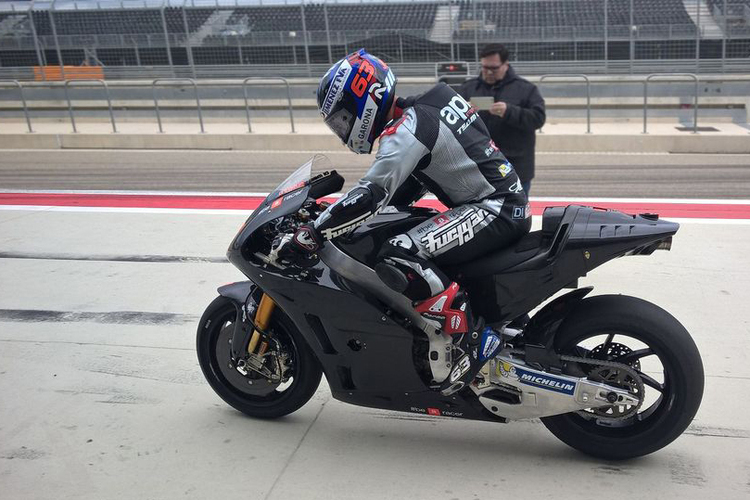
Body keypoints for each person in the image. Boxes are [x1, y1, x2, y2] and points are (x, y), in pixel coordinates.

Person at [277, 49, 531, 395]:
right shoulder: (435, 101)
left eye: (341, 119)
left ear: (363, 101)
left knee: (400, 252)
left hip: (493, 208)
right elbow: (407, 184)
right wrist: (339, 214)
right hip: (505, 202)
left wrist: (312, 233)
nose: (342, 128)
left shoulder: (406, 129)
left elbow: (371, 195)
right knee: (411, 232)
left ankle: (470, 343)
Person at [458, 44, 545, 194]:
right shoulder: (468, 88)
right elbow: (448, 121)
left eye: (494, 68)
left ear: (506, 65)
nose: (489, 72)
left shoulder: (526, 89)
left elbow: (538, 119)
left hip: (516, 166)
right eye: (485, 67)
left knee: (517, 214)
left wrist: (509, 111)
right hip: (478, 167)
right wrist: (463, 111)